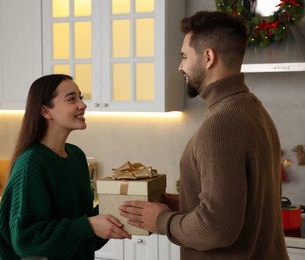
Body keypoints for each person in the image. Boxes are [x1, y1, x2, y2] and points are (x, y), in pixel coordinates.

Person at [119, 11, 289, 259]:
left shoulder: (221, 124)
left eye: (185, 56)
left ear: (208, 57)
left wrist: (162, 220)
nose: (181, 66)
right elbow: (241, 204)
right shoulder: (253, 108)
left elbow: (216, 229)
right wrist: (186, 204)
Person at [0, 74, 131, 260]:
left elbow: (84, 237)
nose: (83, 105)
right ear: (45, 111)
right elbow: (27, 241)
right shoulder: (32, 163)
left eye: (80, 97)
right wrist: (89, 225)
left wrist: (122, 204)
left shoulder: (76, 156)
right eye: (71, 99)